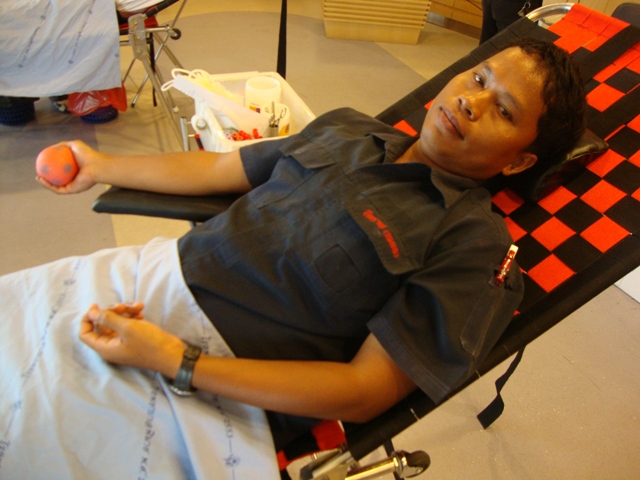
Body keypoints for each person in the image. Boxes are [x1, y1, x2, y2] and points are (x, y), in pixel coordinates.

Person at [1, 38, 585, 477]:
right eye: (479, 77)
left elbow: (365, 391)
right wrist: (100, 165)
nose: (469, 101)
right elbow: (220, 168)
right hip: (141, 280)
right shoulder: (348, 129)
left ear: (518, 162)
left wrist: (178, 361)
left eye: (504, 110)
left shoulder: (473, 245)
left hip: (206, 378)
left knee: (26, 435)